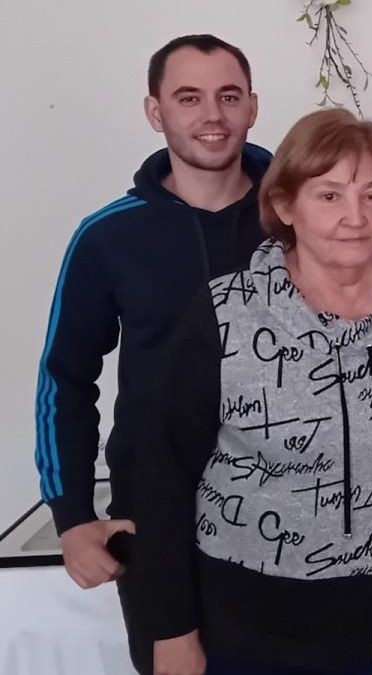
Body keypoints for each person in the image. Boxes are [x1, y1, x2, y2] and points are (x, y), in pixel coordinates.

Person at [133, 108, 372, 675]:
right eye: (329, 195)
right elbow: (160, 472)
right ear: (285, 205)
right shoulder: (224, 312)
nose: (355, 217)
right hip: (242, 624)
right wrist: (170, 627)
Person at [33, 34, 267, 674]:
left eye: (228, 96)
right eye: (188, 98)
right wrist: (73, 516)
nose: (211, 116)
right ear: (155, 112)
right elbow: (65, 378)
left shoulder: (305, 215)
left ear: (253, 107)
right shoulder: (109, 234)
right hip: (161, 526)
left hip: (292, 507)